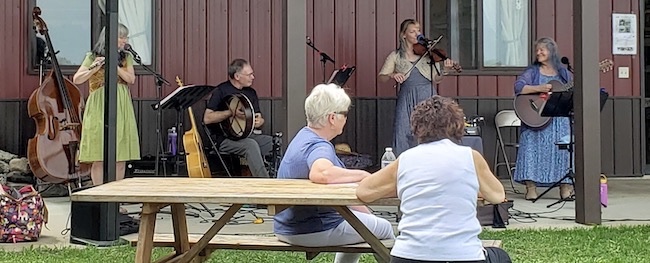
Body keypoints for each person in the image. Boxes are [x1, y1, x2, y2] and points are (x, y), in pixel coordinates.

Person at [356, 96, 511, 263]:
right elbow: (497, 196)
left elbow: (364, 192)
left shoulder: (406, 158)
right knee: (500, 257)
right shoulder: (470, 157)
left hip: (408, 255)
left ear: (416, 126)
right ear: (457, 125)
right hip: (462, 255)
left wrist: (405, 186)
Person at [273, 83, 395, 263]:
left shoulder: (303, 137)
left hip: (288, 226)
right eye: (344, 114)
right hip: (312, 229)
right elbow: (322, 173)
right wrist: (361, 175)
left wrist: (368, 215)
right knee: (384, 229)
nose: (346, 119)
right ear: (332, 118)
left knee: (361, 225)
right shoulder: (319, 146)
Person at [73, 24, 140, 186]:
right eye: (122, 37)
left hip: (121, 103)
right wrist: (94, 67)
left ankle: (116, 199)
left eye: (126, 37)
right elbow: (77, 79)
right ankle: (100, 198)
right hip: (99, 103)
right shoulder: (92, 56)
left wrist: (114, 66)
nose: (125, 40)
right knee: (99, 155)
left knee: (120, 156)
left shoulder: (126, 57)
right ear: (110, 38)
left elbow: (131, 79)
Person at [378, 18, 456, 157]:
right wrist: (393, 75)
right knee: (403, 131)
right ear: (403, 35)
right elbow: (382, 77)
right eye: (412, 31)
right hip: (407, 97)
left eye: (418, 30)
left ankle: (432, 162)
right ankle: (404, 164)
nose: (417, 34)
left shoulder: (429, 54)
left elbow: (436, 79)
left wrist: (446, 70)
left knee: (431, 129)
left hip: (427, 95)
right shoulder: (396, 56)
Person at [513, 37, 572, 200]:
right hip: (537, 119)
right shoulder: (532, 72)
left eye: (542, 50)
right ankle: (531, 188)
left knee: (564, 148)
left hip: (559, 119)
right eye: (537, 50)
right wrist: (540, 88)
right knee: (530, 143)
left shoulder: (564, 73)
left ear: (551, 52)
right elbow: (518, 87)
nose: (538, 52)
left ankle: (565, 188)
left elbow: (573, 89)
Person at [204, 59, 272, 178]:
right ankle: (265, 182)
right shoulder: (221, 91)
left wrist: (259, 122)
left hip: (247, 135)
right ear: (237, 76)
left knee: (273, 142)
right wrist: (231, 113)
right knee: (250, 145)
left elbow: (259, 118)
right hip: (224, 139)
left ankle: (280, 176)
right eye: (249, 74)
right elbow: (207, 118)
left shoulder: (251, 92)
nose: (253, 77)